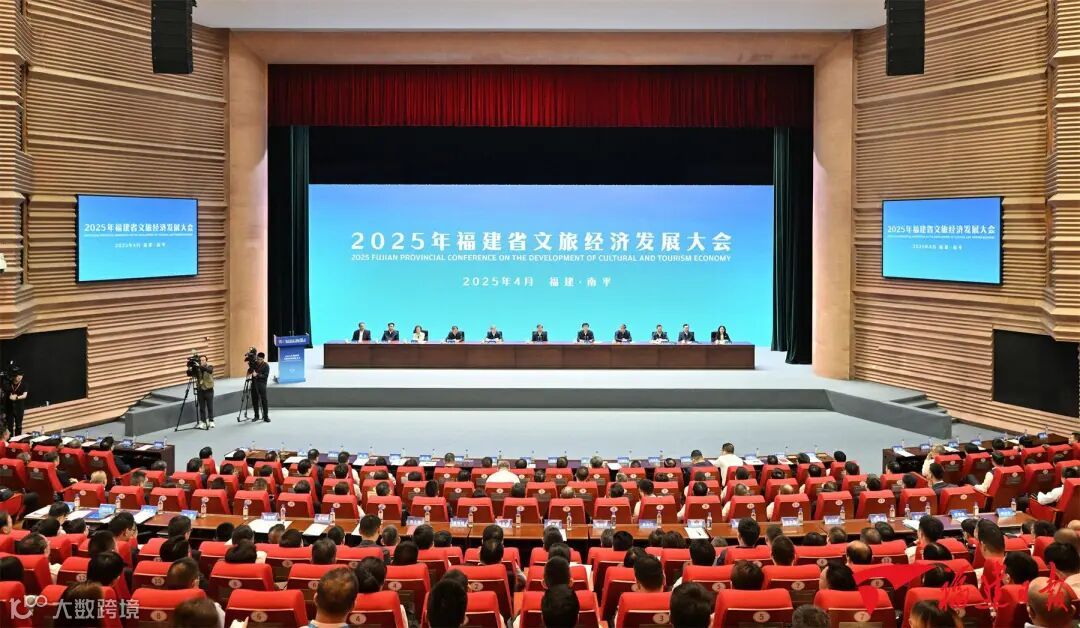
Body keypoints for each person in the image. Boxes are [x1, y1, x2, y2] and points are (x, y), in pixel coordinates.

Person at [193, 354, 215, 429]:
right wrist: (192, 368)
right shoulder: (198, 368)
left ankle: (211, 421)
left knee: (210, 406)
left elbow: (210, 371)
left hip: (209, 390)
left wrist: (199, 367)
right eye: (201, 360)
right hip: (200, 390)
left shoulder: (210, 366)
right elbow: (191, 374)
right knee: (202, 407)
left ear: (206, 360)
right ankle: (203, 422)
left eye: (204, 360)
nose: (202, 361)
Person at [2, 370, 27, 436]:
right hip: (9, 408)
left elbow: (24, 395)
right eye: (18, 376)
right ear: (14, 376)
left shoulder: (24, 384)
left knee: (19, 425)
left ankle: (17, 440)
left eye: (21, 376)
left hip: (19, 408)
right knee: (9, 426)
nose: (20, 377)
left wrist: (16, 397)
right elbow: (4, 391)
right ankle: (9, 440)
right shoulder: (8, 384)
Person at [248, 351, 270, 423]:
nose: (258, 360)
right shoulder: (254, 364)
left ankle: (266, 417)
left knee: (264, 401)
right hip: (254, 384)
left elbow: (265, 376)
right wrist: (250, 368)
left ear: (263, 359)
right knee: (255, 400)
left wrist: (257, 374)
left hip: (262, 384)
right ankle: (256, 416)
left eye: (260, 359)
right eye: (258, 359)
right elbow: (250, 371)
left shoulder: (266, 365)